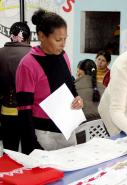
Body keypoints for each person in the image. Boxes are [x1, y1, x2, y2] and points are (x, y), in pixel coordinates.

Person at [16, 9, 83, 154]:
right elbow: (24, 110)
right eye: (58, 40)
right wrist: (31, 145)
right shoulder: (28, 64)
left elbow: (70, 86)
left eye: (65, 39)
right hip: (43, 136)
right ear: (41, 36)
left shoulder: (63, 56)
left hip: (67, 130)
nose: (63, 44)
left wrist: (77, 98)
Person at [0, 22, 31, 151]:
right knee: (28, 153)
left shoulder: (0, 53)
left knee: (9, 151)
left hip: (6, 110)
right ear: (28, 38)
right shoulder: (33, 54)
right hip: (29, 113)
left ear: (10, 36)